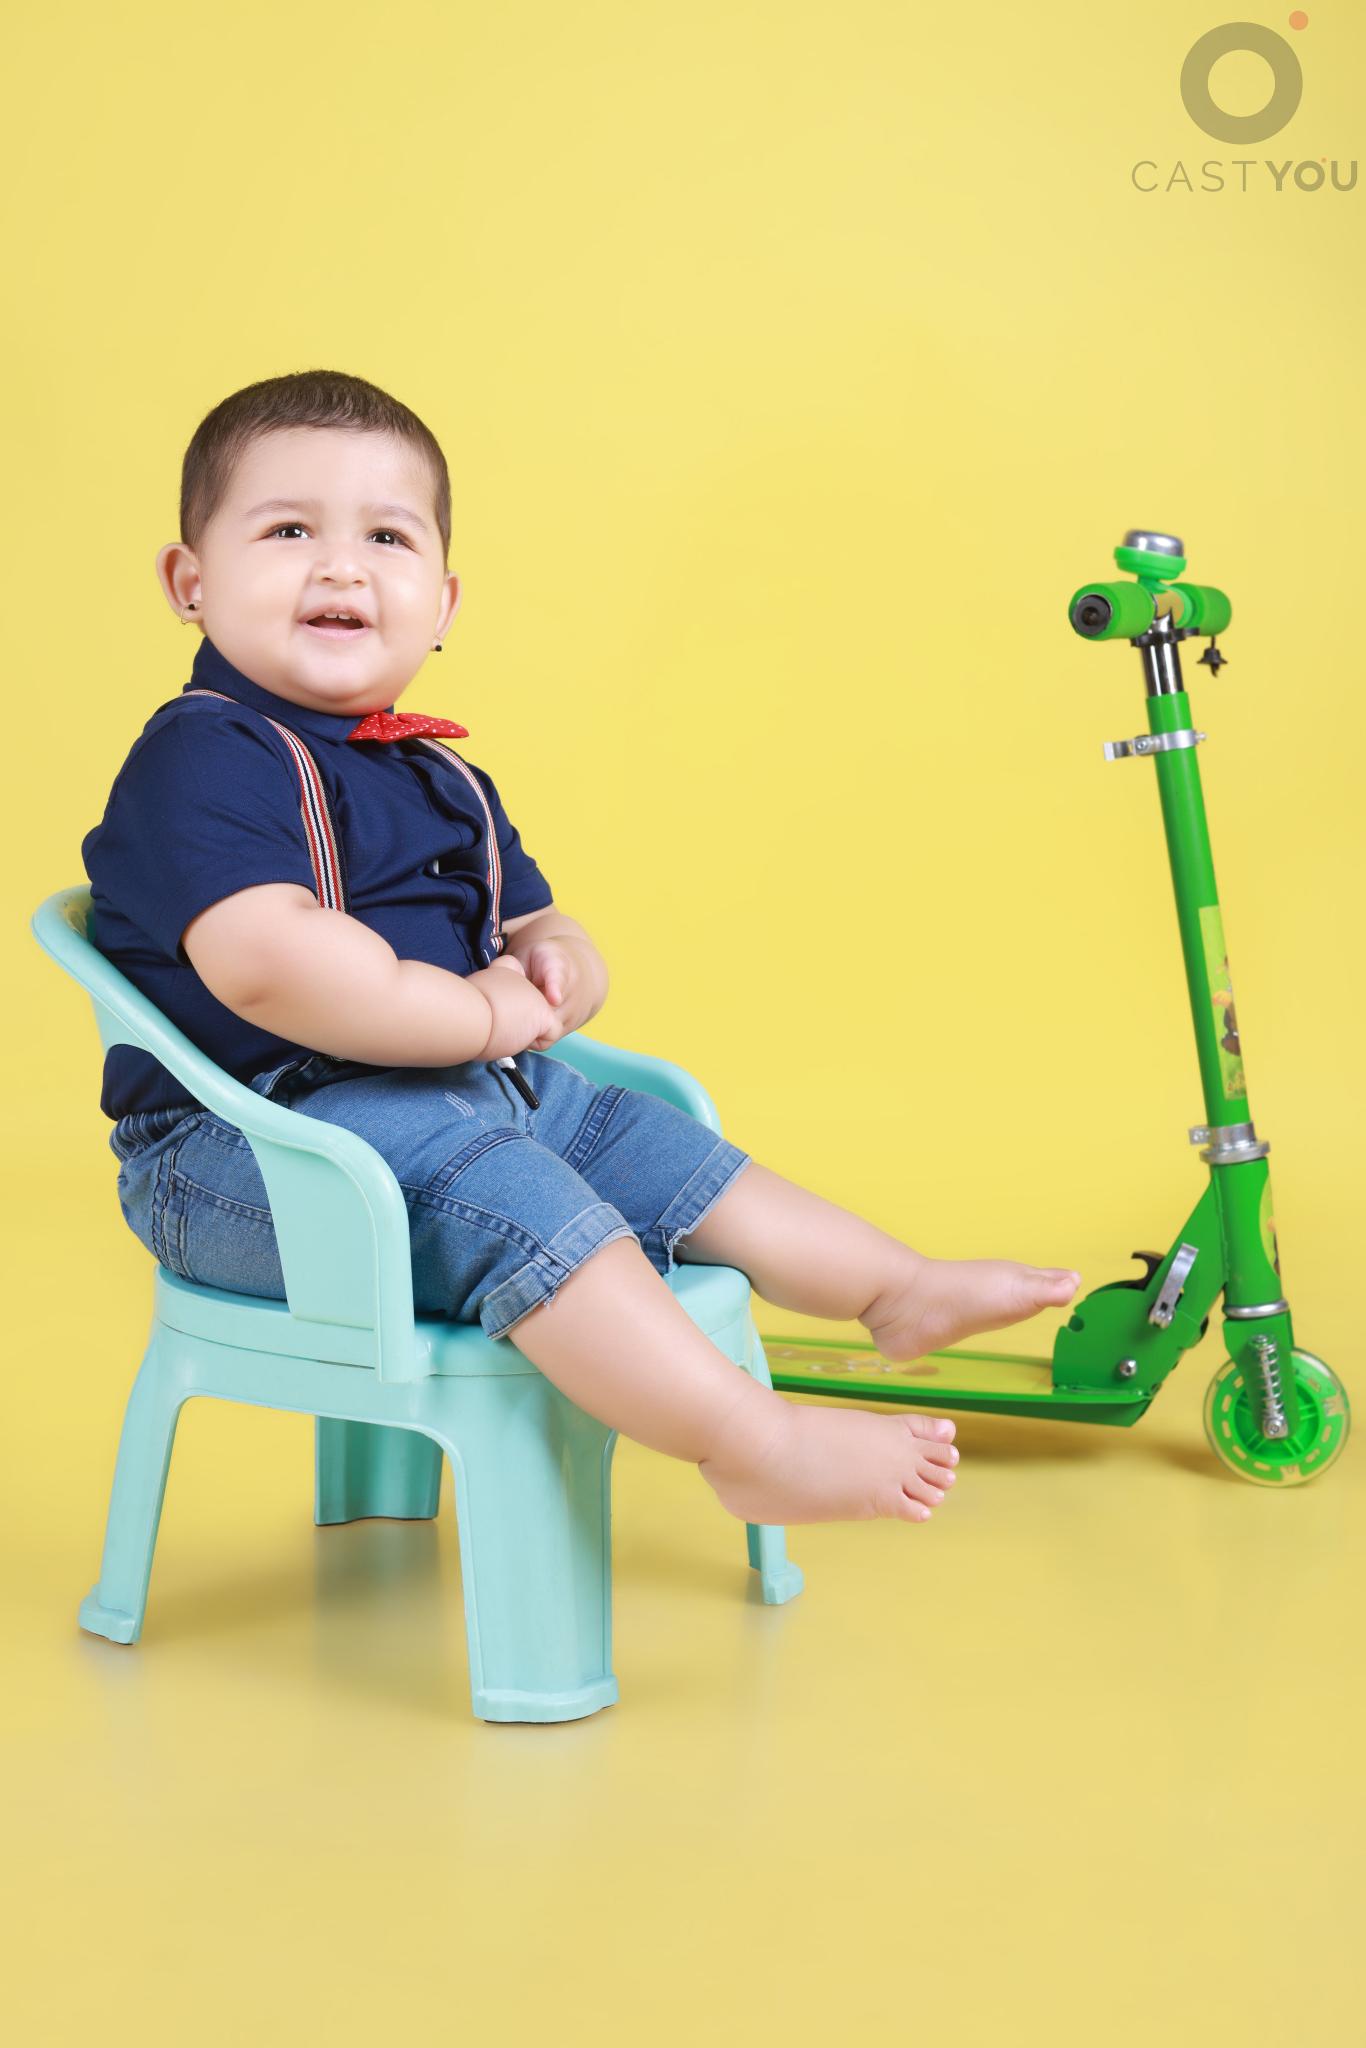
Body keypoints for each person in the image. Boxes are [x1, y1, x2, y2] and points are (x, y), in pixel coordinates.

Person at [83, 368, 1082, 1530]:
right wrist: (484, 1016)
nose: (343, 567)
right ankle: (745, 1441)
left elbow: (529, 921)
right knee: (509, 1191)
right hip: (252, 1149)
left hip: (454, 1095)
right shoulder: (206, 757)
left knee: (638, 1137)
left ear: (443, 602)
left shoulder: (436, 771)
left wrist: (562, 962)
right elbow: (270, 964)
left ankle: (892, 1288)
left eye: (386, 537)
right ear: (191, 581)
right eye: (289, 530)